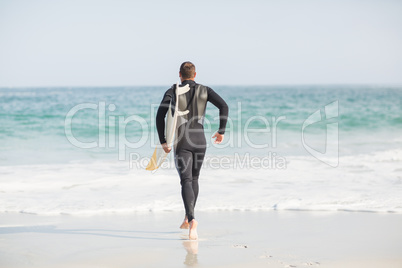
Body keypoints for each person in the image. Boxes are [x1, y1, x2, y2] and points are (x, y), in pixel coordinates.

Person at [156, 61, 228, 240]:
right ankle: (188, 217)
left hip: (182, 141)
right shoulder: (205, 90)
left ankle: (192, 219)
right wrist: (221, 131)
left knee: (186, 180)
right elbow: (224, 106)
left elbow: (160, 115)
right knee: (194, 178)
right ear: (195, 75)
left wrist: (164, 141)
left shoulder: (173, 91)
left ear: (180, 75)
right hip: (200, 141)